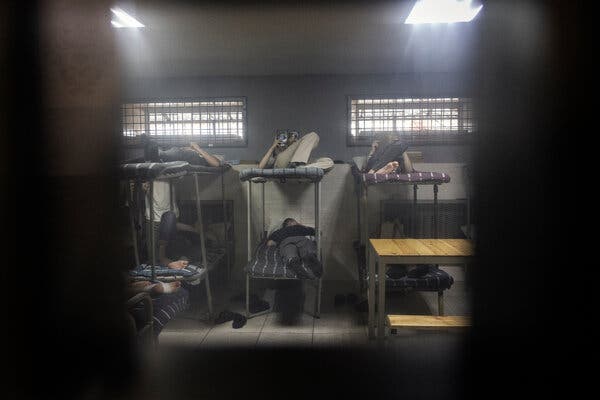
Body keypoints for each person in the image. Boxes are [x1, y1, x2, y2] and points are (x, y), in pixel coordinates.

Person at [258, 130, 333, 171]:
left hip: (300, 163)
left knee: (329, 162)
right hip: (282, 164)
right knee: (313, 134)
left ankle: (300, 167)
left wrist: (295, 144)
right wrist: (273, 146)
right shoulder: (275, 158)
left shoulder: (300, 152)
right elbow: (260, 167)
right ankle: (297, 164)